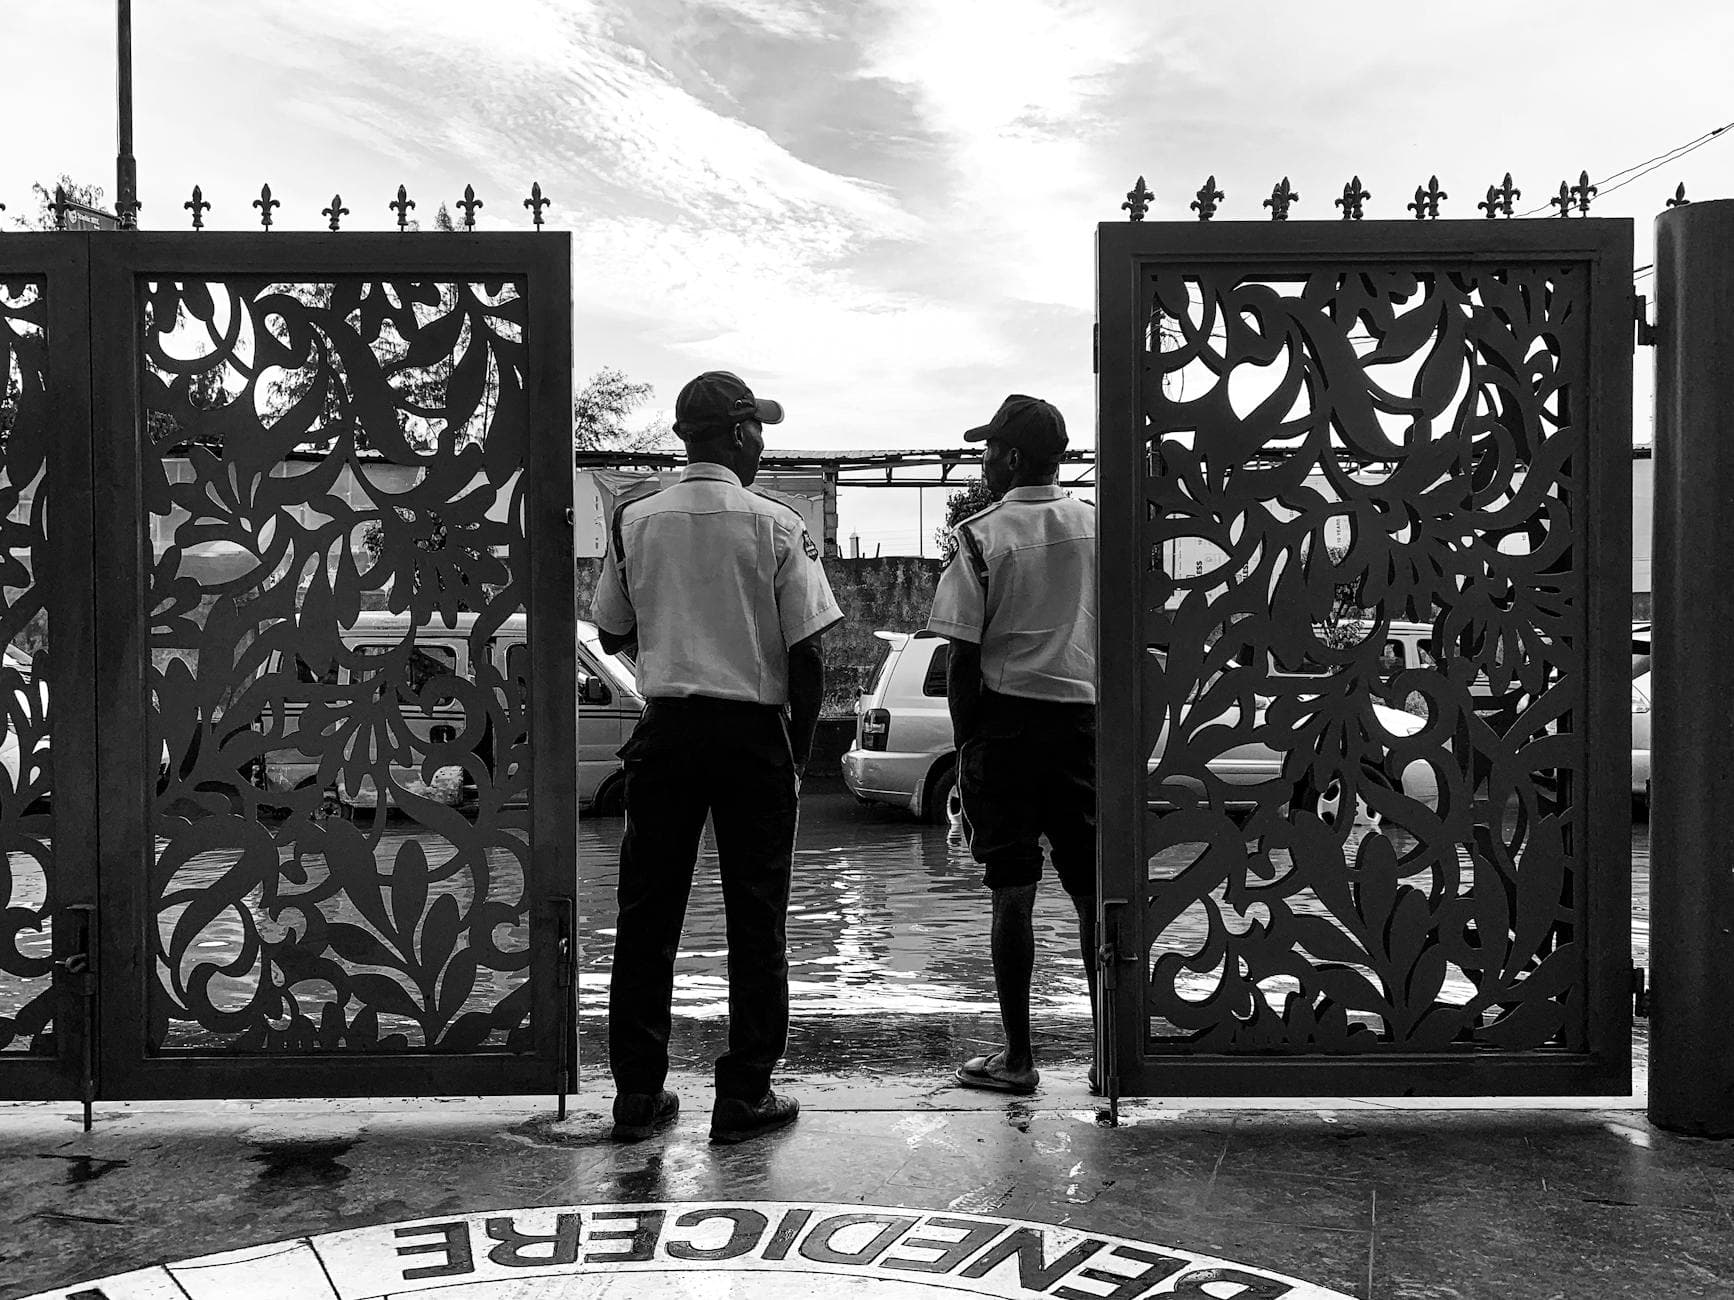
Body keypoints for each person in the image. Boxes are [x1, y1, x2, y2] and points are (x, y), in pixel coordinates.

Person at [592, 370, 842, 1143]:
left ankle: (638, 1096)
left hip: (665, 732)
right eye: (757, 428)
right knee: (756, 918)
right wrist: (796, 756)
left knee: (646, 916)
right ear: (736, 434)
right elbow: (807, 655)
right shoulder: (775, 522)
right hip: (751, 739)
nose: (763, 442)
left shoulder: (636, 518)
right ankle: (743, 1095)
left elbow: (608, 631)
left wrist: (676, 639)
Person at [927, 394, 1097, 1095]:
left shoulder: (980, 538)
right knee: (1096, 897)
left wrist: (967, 757)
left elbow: (963, 662)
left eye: (992, 449)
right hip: (1086, 731)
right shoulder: (1098, 528)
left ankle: (1019, 1058)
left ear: (1016, 457)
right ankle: (1112, 1053)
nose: (985, 460)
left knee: (1012, 896)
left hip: (1007, 732)